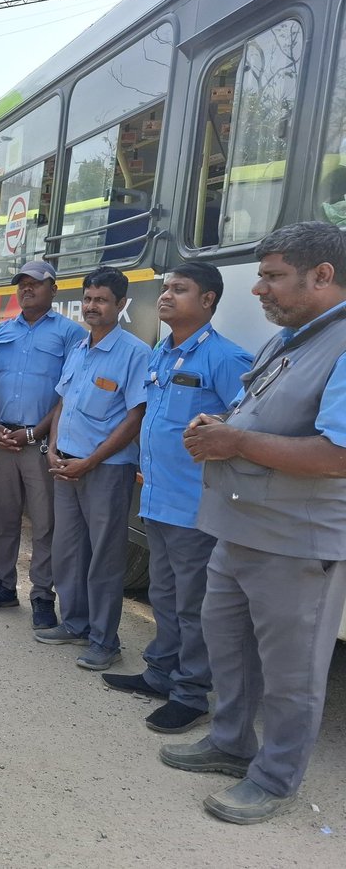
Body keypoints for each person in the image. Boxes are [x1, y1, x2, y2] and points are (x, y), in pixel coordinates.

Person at [160, 221, 346, 824]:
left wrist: (234, 440)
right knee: (229, 646)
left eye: (271, 278)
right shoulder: (290, 338)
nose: (259, 290)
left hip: (296, 541)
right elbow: (258, 412)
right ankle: (230, 742)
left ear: (323, 276)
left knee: (293, 673)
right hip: (238, 528)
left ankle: (274, 778)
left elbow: (338, 454)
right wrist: (221, 425)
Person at [102, 263, 250, 732]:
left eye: (179, 290)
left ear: (207, 301)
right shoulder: (160, 354)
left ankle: (191, 693)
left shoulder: (226, 359)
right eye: (165, 288)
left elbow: (244, 428)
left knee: (194, 602)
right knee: (163, 594)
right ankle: (160, 673)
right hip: (157, 498)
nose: (165, 296)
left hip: (195, 505)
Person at [36, 268, 150, 671]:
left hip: (105, 471)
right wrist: (52, 449)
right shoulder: (79, 348)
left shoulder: (135, 353)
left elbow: (136, 416)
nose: (91, 306)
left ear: (121, 305)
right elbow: (63, 403)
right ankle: (75, 623)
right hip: (66, 463)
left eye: (101, 299)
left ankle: (105, 640)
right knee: (68, 550)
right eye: (87, 298)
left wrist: (92, 460)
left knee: (104, 557)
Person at [0, 260, 86, 629]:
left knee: (44, 524)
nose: (27, 289)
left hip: (38, 444)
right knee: (2, 520)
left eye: (36, 284)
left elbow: (68, 394)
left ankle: (42, 594)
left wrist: (36, 432)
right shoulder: (0, 332)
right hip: (2, 441)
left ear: (53, 289)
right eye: (22, 284)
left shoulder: (70, 334)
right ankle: (3, 586)